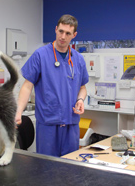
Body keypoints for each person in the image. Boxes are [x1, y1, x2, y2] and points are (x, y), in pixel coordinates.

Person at [15, 14, 89, 157]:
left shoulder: (78, 59)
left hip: (71, 124)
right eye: (60, 31)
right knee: (47, 169)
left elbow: (83, 88)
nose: (63, 36)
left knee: (70, 168)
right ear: (55, 29)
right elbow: (27, 86)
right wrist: (19, 112)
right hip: (48, 123)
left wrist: (80, 100)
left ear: (74, 35)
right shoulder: (40, 55)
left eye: (68, 33)